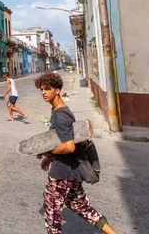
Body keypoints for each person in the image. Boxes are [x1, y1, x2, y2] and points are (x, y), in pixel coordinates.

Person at [34, 72, 116, 234]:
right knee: (81, 206)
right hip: (70, 170)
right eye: (42, 89)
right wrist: (49, 158)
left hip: (62, 172)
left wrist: (47, 152)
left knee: (51, 210)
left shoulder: (60, 116)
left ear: (57, 90)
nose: (43, 92)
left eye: (47, 89)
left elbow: (69, 146)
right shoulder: (60, 110)